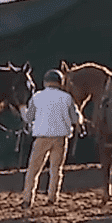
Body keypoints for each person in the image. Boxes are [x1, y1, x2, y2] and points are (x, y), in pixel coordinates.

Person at [19, 68, 85, 209]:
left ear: (45, 82)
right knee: (56, 169)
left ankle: (28, 198)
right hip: (60, 138)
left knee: (33, 170)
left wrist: (22, 109)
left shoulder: (37, 96)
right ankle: (52, 197)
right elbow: (76, 118)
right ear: (60, 83)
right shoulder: (66, 97)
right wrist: (81, 120)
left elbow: (29, 117)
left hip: (42, 137)